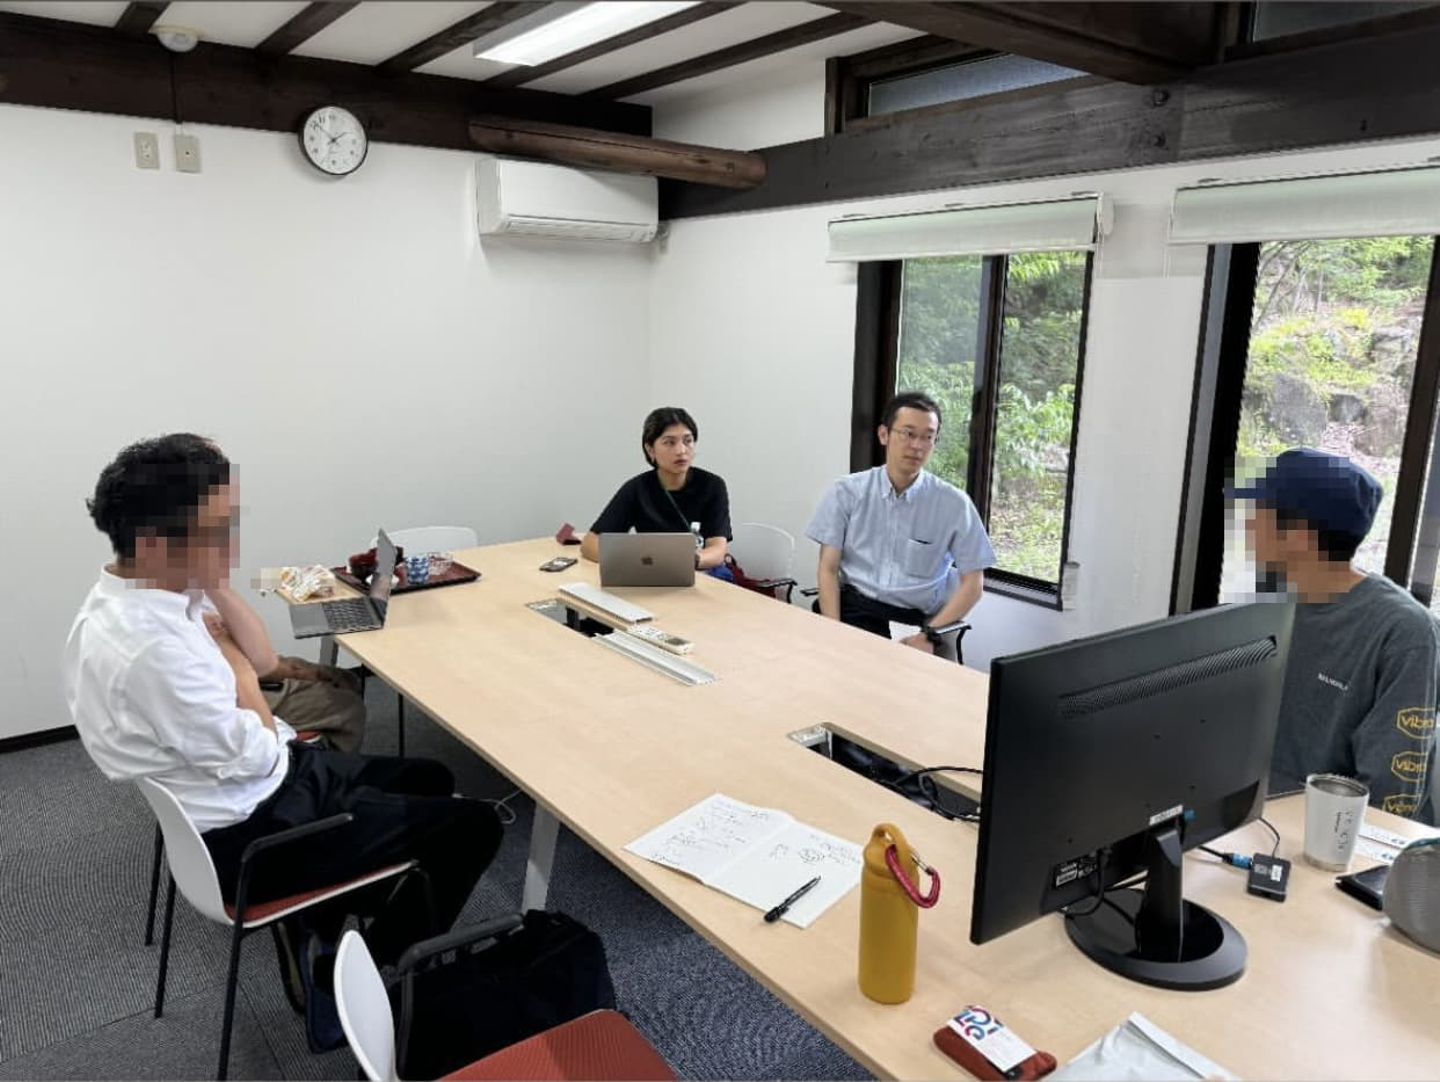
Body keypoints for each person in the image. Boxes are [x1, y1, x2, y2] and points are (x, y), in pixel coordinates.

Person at [64, 433, 502, 1048]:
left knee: (430, 777)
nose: (233, 542)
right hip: (254, 832)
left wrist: (217, 592)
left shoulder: (142, 590)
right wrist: (242, 676)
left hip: (256, 783)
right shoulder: (151, 651)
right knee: (476, 827)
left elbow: (261, 667)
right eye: (220, 528)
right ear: (158, 542)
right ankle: (347, 974)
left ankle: (326, 915)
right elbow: (259, 748)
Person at [1232, 447, 1437, 824]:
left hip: (1339, 837)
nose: (1246, 523)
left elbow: (1388, 801)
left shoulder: (1405, 633)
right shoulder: (1269, 603)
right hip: (1258, 821)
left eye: (1258, 510)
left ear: (1299, 535)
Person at [806, 391, 994, 653]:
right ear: (884, 434)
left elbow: (973, 585)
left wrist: (929, 635)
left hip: (907, 623)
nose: (917, 446)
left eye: (927, 437)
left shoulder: (954, 505)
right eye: (908, 433)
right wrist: (833, 630)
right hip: (850, 610)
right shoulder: (847, 492)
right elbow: (828, 569)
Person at [581, 407, 733, 575]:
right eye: (669, 442)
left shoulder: (712, 485)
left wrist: (688, 560)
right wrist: (635, 562)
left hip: (702, 574)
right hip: (652, 574)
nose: (681, 450)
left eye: (688, 441)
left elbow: (718, 549)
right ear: (650, 449)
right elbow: (590, 543)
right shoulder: (637, 488)